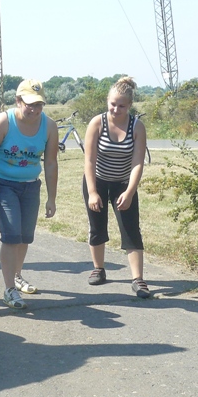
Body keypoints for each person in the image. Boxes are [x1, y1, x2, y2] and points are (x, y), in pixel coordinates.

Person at [0, 79, 59, 309]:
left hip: (31, 186)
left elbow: (51, 163)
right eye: (29, 104)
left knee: (25, 237)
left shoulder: (49, 126)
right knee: (11, 236)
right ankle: (9, 290)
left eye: (39, 104)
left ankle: (17, 276)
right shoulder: (4, 122)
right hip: (5, 184)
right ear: (18, 101)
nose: (34, 109)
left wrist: (52, 198)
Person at [82, 76, 151, 298]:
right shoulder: (97, 123)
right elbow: (89, 160)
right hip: (97, 180)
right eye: (112, 104)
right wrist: (92, 192)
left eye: (121, 106)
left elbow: (138, 162)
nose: (116, 109)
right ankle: (98, 269)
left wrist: (129, 192)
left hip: (123, 183)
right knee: (97, 226)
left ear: (129, 105)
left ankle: (138, 279)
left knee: (131, 229)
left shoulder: (137, 126)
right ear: (107, 101)